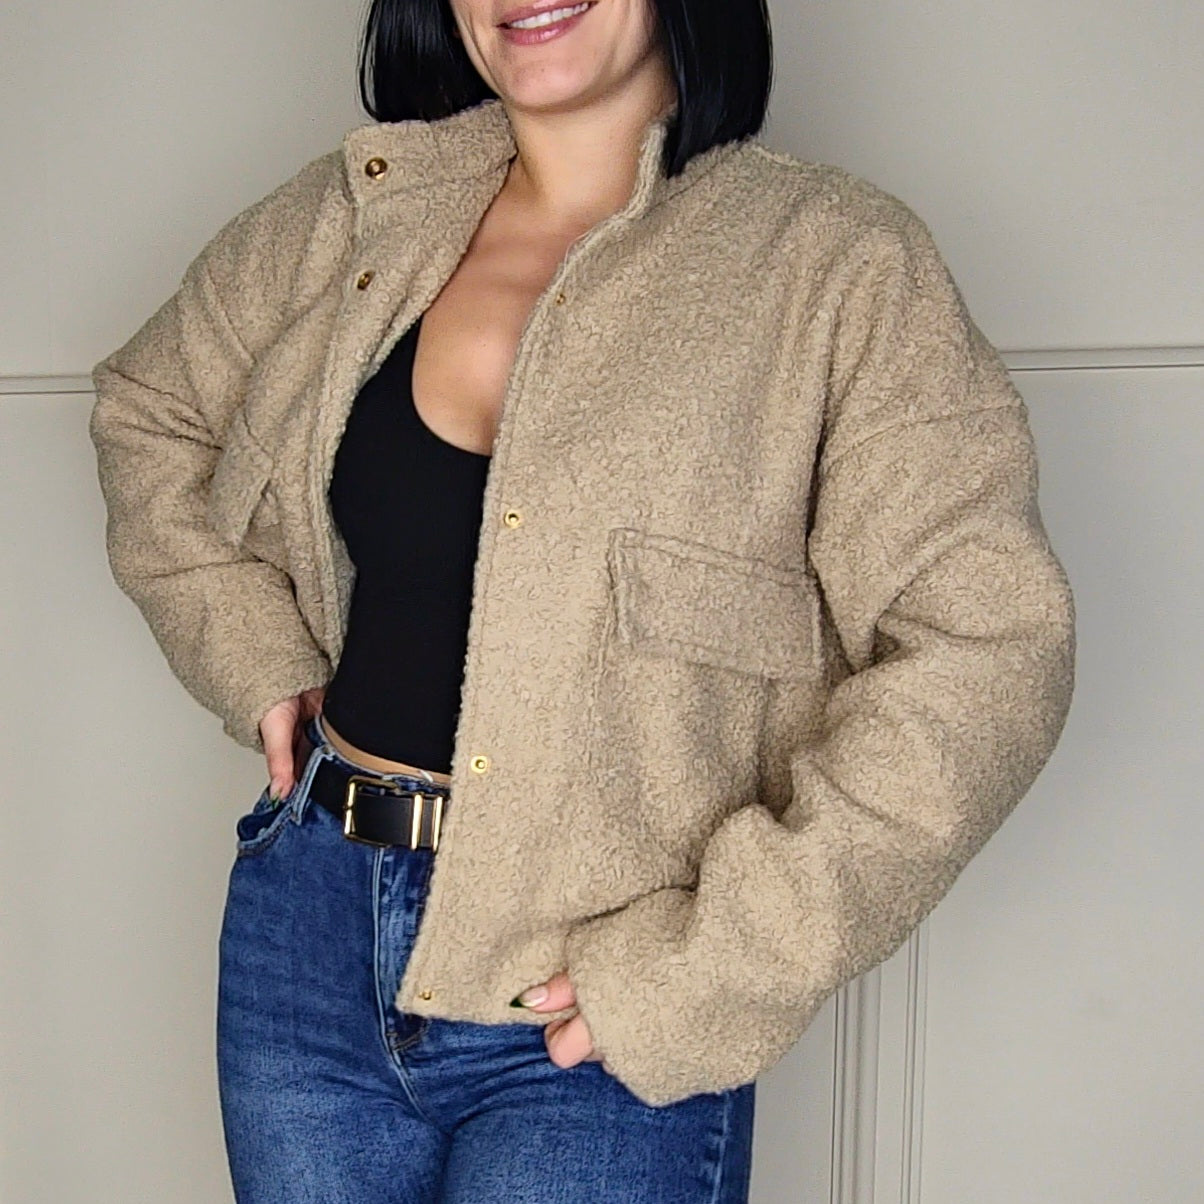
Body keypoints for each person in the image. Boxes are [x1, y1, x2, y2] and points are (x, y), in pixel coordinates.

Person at [88, 0, 1077, 1200]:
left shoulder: (836, 264)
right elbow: (151, 413)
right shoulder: (363, 209)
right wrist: (252, 652)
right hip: (308, 944)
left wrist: (713, 967)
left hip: (596, 985)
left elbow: (987, 648)